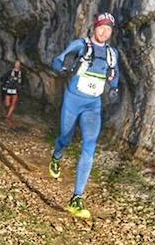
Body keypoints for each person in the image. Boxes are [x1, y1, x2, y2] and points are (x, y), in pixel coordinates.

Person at [48, 12, 120, 219]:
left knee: (90, 144)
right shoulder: (81, 45)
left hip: (93, 106)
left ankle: (76, 198)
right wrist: (65, 66)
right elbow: (57, 61)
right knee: (65, 138)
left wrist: (114, 88)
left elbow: (115, 75)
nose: (104, 31)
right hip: (72, 101)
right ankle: (57, 155)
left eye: (108, 28)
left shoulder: (112, 54)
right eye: (101, 27)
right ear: (94, 27)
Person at [0, 60, 23, 125]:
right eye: (16, 64)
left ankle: (7, 117)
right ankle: (8, 115)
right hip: (9, 89)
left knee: (13, 104)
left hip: (16, 91)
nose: (17, 65)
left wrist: (20, 86)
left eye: (19, 64)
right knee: (7, 104)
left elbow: (23, 82)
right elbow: (2, 78)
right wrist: (5, 83)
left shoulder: (21, 74)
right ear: (14, 64)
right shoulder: (10, 72)